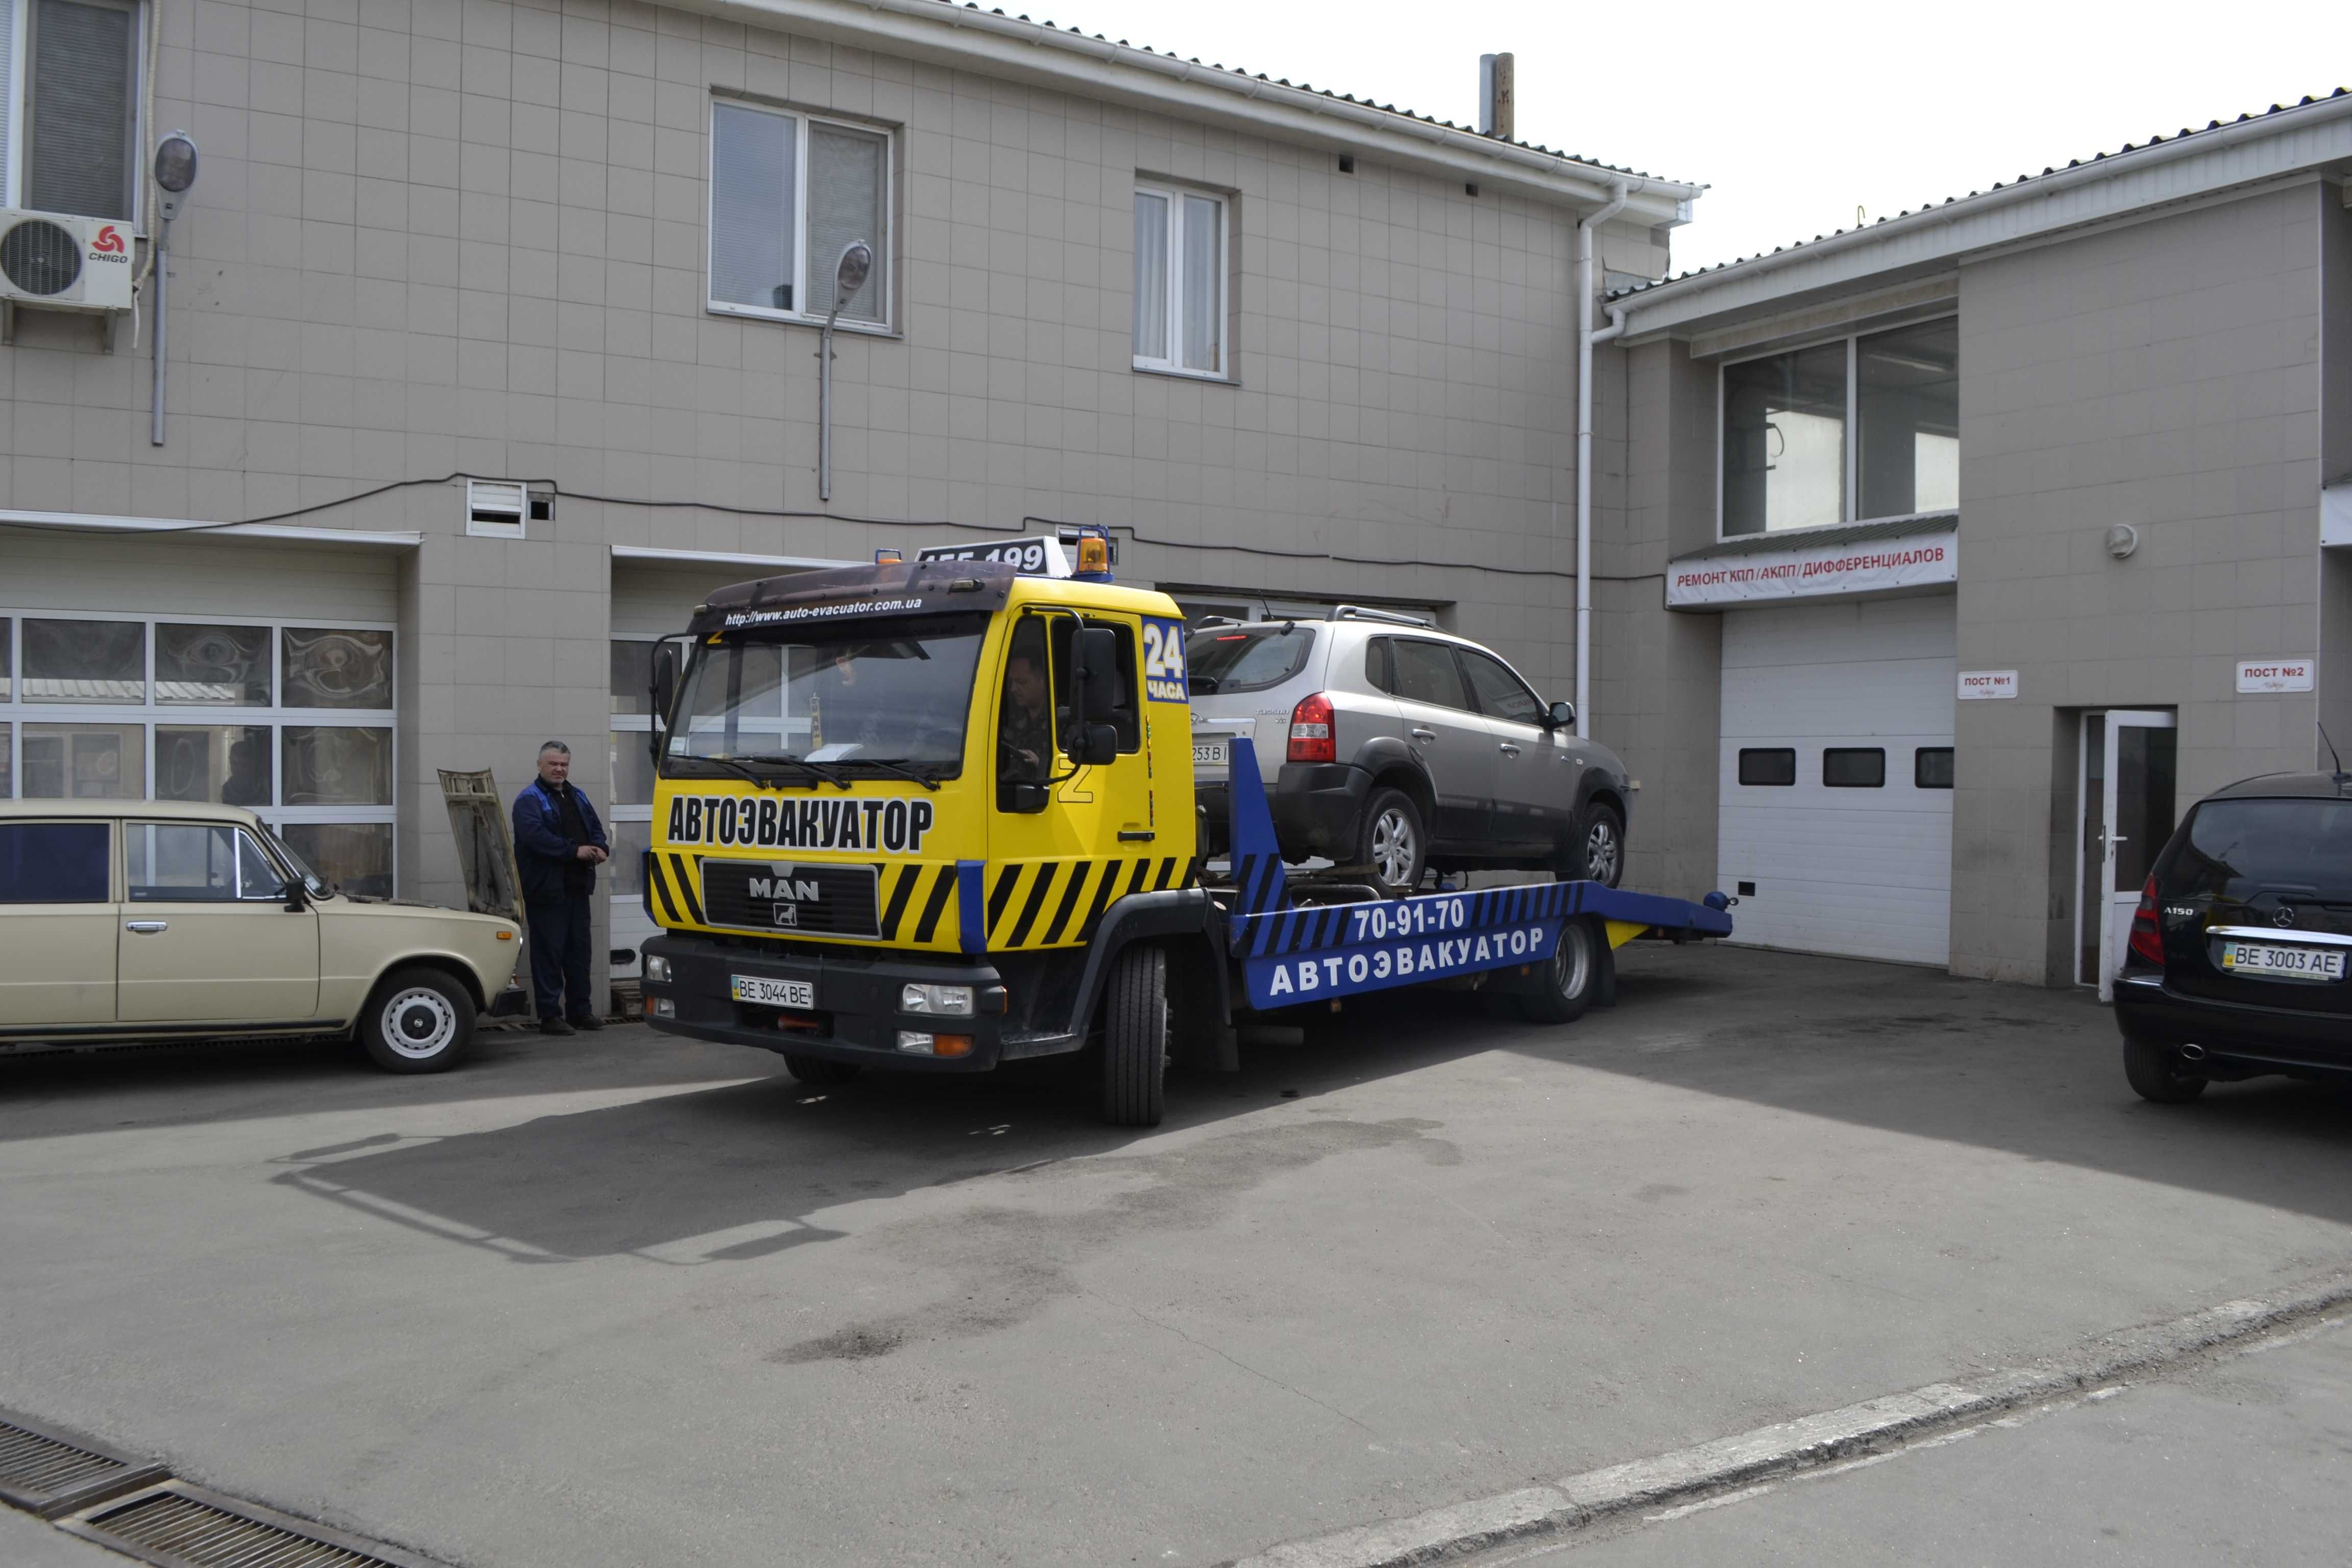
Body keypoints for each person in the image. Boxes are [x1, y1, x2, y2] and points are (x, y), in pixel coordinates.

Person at [511, 741, 609, 1035]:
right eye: (553, 764)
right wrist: (574, 851)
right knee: (549, 956)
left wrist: (601, 848)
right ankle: (550, 1016)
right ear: (540, 765)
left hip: (577, 889)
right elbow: (536, 838)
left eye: (564, 764)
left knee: (579, 955)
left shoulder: (577, 795)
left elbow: (596, 828)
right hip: (546, 891)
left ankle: (581, 1011)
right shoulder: (529, 799)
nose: (559, 769)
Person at [998, 646, 1053, 785]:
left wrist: (1040, 766)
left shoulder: (1063, 722)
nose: (1013, 689)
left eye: (1021, 682)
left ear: (1043, 680)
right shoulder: (1006, 720)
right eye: (1012, 682)